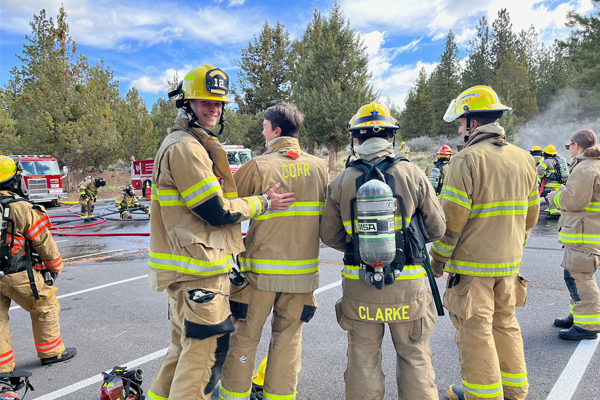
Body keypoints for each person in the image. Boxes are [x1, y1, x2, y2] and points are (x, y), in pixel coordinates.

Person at [146, 64, 295, 400]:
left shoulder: (189, 142)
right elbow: (216, 211)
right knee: (200, 360)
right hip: (198, 274)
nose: (214, 109)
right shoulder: (186, 147)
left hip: (187, 272)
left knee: (180, 351)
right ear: (187, 104)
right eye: (205, 102)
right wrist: (262, 203)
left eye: (218, 104)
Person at [320, 102, 445, 400]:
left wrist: (357, 244)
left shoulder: (341, 181)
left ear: (356, 139)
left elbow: (329, 235)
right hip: (409, 288)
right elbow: (438, 227)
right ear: (390, 137)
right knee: (414, 356)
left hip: (360, 286)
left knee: (363, 360)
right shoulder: (413, 173)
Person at [429, 85, 539, 400]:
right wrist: (513, 249)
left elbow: (451, 224)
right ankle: (515, 391)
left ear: (474, 123)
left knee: (475, 332)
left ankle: (483, 394)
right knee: (505, 325)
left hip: (472, 269)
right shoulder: (524, 159)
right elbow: (530, 218)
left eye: (461, 123)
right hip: (508, 267)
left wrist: (438, 261)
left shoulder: (466, 160)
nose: (460, 129)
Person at [219, 103, 328, 400]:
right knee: (289, 340)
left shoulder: (258, 166)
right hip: (303, 276)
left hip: (260, 274)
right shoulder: (320, 168)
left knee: (245, 337)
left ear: (276, 131)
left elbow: (226, 209)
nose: (261, 131)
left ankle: (234, 395)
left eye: (264, 127)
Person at [0, 156, 77, 372]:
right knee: (45, 307)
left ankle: (3, 367)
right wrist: (54, 266)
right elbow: (43, 241)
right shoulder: (22, 208)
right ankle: (51, 352)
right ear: (13, 181)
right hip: (19, 273)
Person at [547, 129, 600, 341]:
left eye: (569, 146)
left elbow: (573, 201)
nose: (568, 150)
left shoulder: (585, 168)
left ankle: (587, 325)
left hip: (583, 234)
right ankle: (578, 315)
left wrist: (555, 197)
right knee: (574, 275)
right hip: (588, 232)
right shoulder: (593, 165)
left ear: (576, 145)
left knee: (580, 277)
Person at [538, 145, 562, 219]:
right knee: (558, 197)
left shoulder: (546, 162)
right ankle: (560, 211)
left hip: (550, 185)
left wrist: (542, 177)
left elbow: (540, 170)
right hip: (560, 184)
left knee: (550, 199)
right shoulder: (558, 161)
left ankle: (554, 214)